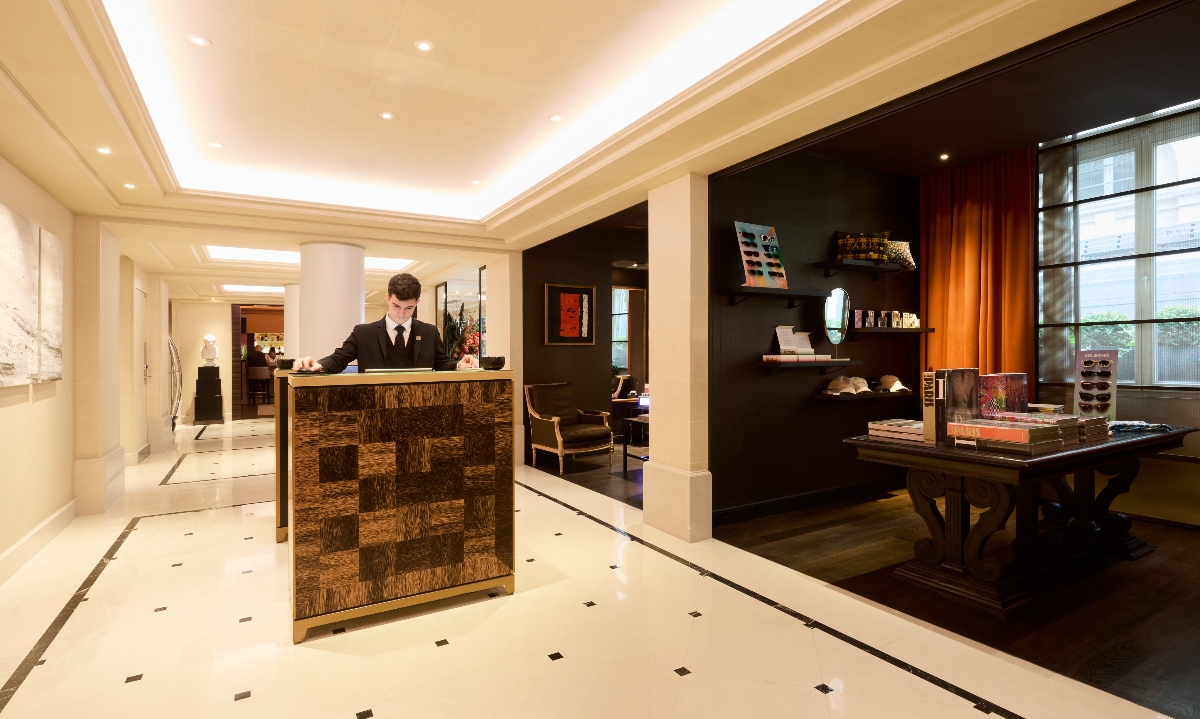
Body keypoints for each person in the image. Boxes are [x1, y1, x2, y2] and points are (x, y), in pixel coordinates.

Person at [295, 273, 478, 373]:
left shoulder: (430, 332)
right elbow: (339, 359)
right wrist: (318, 364)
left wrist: (458, 365)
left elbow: (441, 363)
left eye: (409, 308)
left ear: (417, 303)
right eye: (396, 305)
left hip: (419, 409)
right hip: (373, 409)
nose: (401, 313)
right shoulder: (363, 333)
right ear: (387, 298)